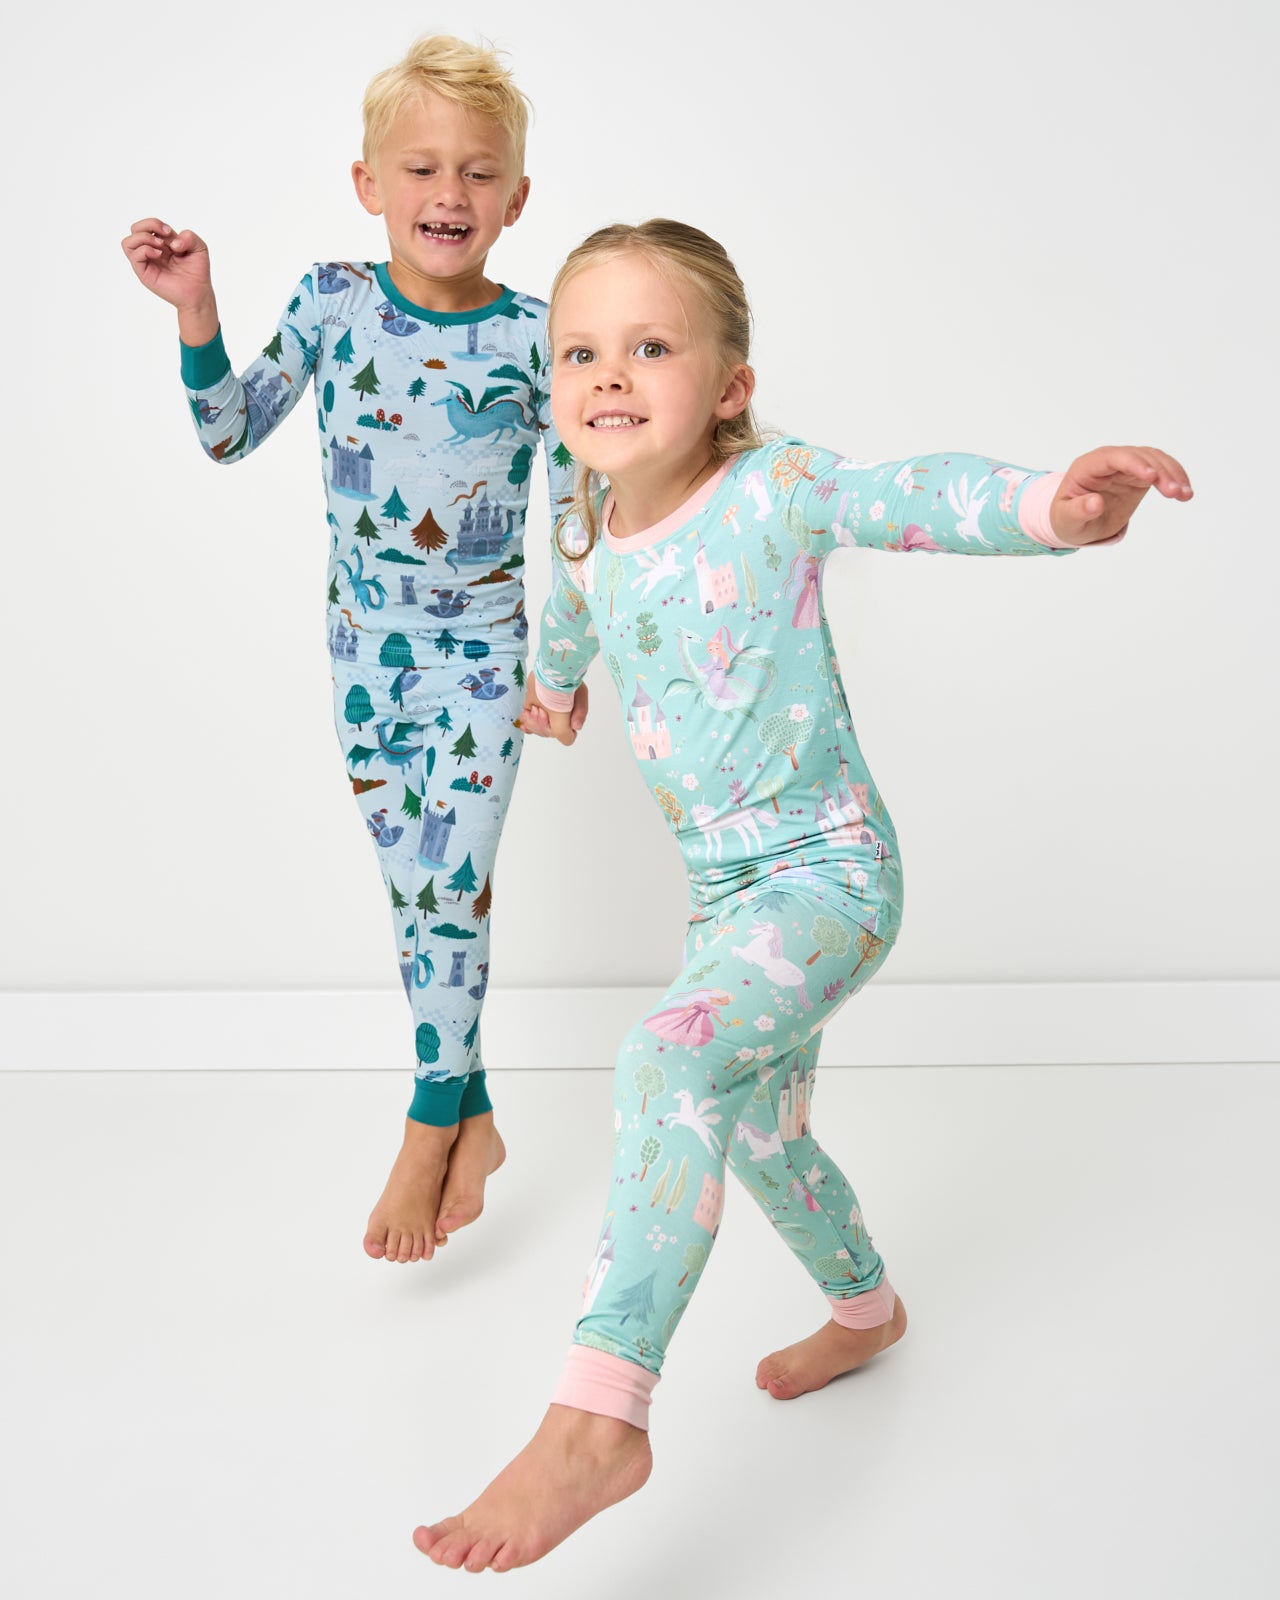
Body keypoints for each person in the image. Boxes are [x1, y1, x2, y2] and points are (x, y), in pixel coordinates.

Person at [411, 219, 1193, 1571]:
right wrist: (551, 688)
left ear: (728, 386)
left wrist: (1050, 509)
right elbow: (575, 609)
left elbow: (910, 493)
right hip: (725, 901)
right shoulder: (585, 521)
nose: (607, 375)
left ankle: (599, 1416)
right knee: (762, 1134)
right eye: (579, 353)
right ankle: (867, 1312)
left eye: (648, 347)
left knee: (666, 1064)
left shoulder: (773, 489)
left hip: (829, 874)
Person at [120, 35, 582, 1265]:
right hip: (364, 662)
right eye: (421, 168)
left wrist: (564, 666)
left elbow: (577, 517)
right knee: (418, 892)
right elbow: (228, 433)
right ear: (368, 183)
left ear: (516, 198)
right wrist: (198, 310)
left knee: (453, 882)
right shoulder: (333, 301)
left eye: (478, 173)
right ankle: (478, 1112)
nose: (449, 193)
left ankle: (430, 1121)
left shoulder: (539, 338)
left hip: (483, 660)